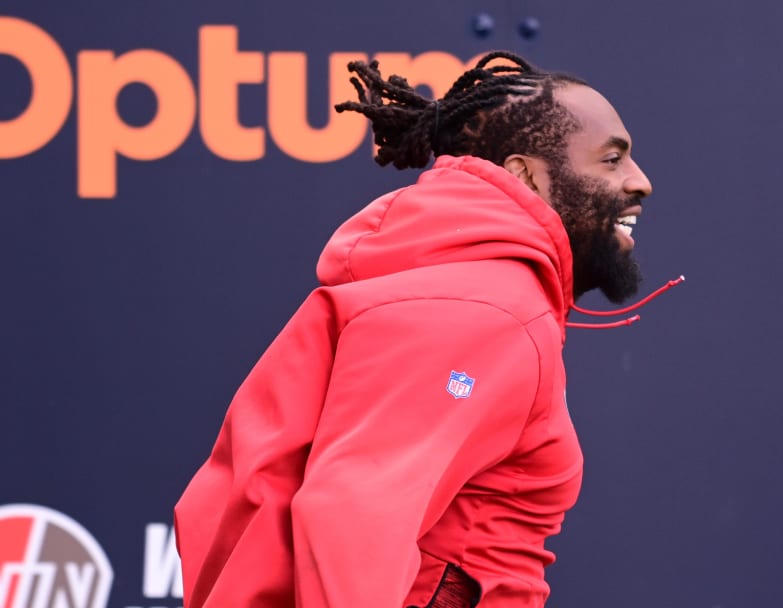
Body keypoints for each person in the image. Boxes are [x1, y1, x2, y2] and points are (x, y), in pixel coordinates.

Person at [174, 51, 676, 608]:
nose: (641, 182)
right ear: (526, 175)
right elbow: (353, 512)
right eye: (611, 159)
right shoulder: (490, 310)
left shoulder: (465, 287)